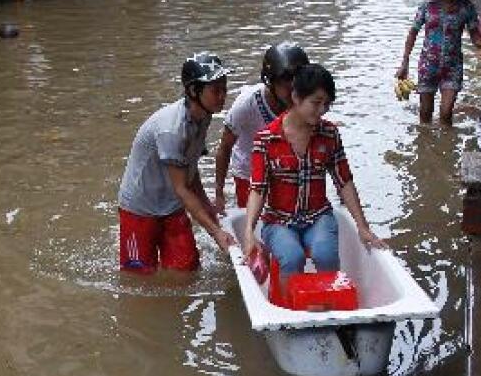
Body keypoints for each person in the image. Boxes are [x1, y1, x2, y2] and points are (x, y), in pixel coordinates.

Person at [241, 64, 386, 289]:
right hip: (278, 221)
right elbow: (258, 188)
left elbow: (344, 181)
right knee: (292, 257)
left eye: (326, 104)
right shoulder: (266, 139)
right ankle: (289, 314)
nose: (322, 110)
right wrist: (249, 231)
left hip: (318, 217)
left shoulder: (329, 134)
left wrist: (363, 227)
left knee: (325, 254)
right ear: (296, 97)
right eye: (316, 103)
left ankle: (327, 308)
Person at [118, 53, 237, 273]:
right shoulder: (172, 129)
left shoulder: (203, 116)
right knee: (138, 275)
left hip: (171, 204)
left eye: (224, 88)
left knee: (187, 269)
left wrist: (207, 207)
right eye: (215, 90)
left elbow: (190, 170)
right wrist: (216, 232)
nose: (223, 96)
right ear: (194, 91)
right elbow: (182, 188)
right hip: (140, 208)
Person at [214, 42, 309, 211]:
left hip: (282, 169)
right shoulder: (246, 105)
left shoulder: (303, 102)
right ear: (271, 82)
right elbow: (225, 147)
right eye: (286, 82)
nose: (293, 89)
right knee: (255, 222)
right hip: (248, 173)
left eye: (297, 81)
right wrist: (219, 194)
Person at [395, 0, 481, 125]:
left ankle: (445, 146)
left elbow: (475, 35)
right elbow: (413, 32)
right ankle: (426, 145)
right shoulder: (427, 6)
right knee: (425, 113)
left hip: (453, 66)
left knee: (446, 112)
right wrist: (404, 63)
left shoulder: (466, 7)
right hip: (428, 66)